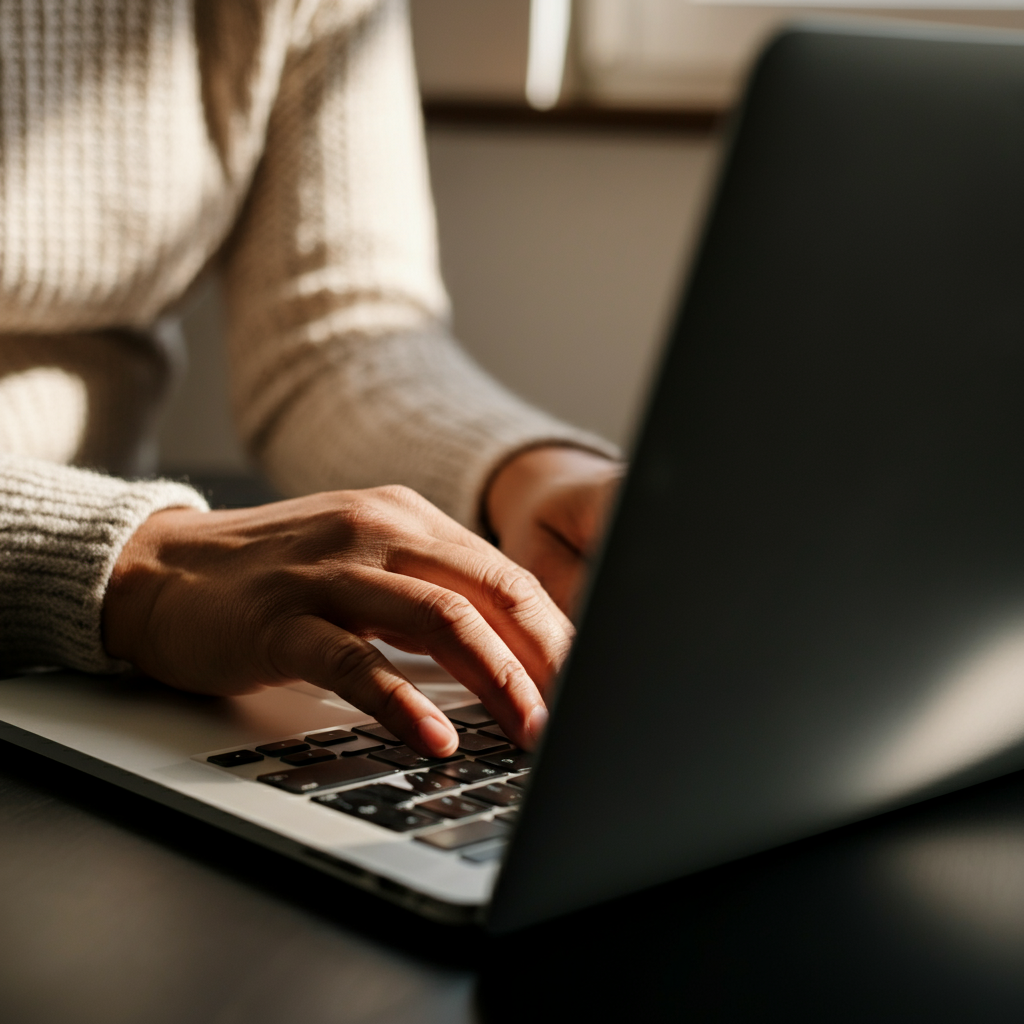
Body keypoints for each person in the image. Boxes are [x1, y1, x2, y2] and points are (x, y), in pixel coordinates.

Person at [0, 0, 622, 758]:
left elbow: (333, 339)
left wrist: (522, 476)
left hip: (91, 677)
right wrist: (138, 564)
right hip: (102, 611)